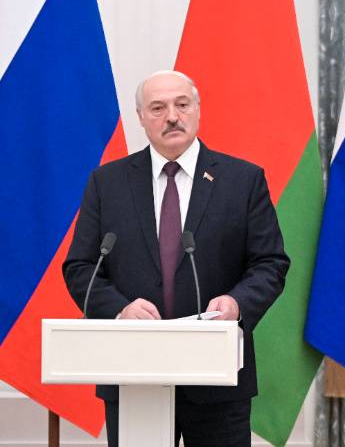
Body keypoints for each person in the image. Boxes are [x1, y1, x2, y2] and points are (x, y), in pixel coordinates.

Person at [63, 70, 289, 447]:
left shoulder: (242, 180)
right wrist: (119, 309)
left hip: (217, 378)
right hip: (133, 374)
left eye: (182, 105)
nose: (172, 116)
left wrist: (237, 303)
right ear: (140, 117)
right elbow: (81, 267)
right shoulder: (107, 183)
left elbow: (270, 263)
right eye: (157, 108)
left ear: (198, 110)